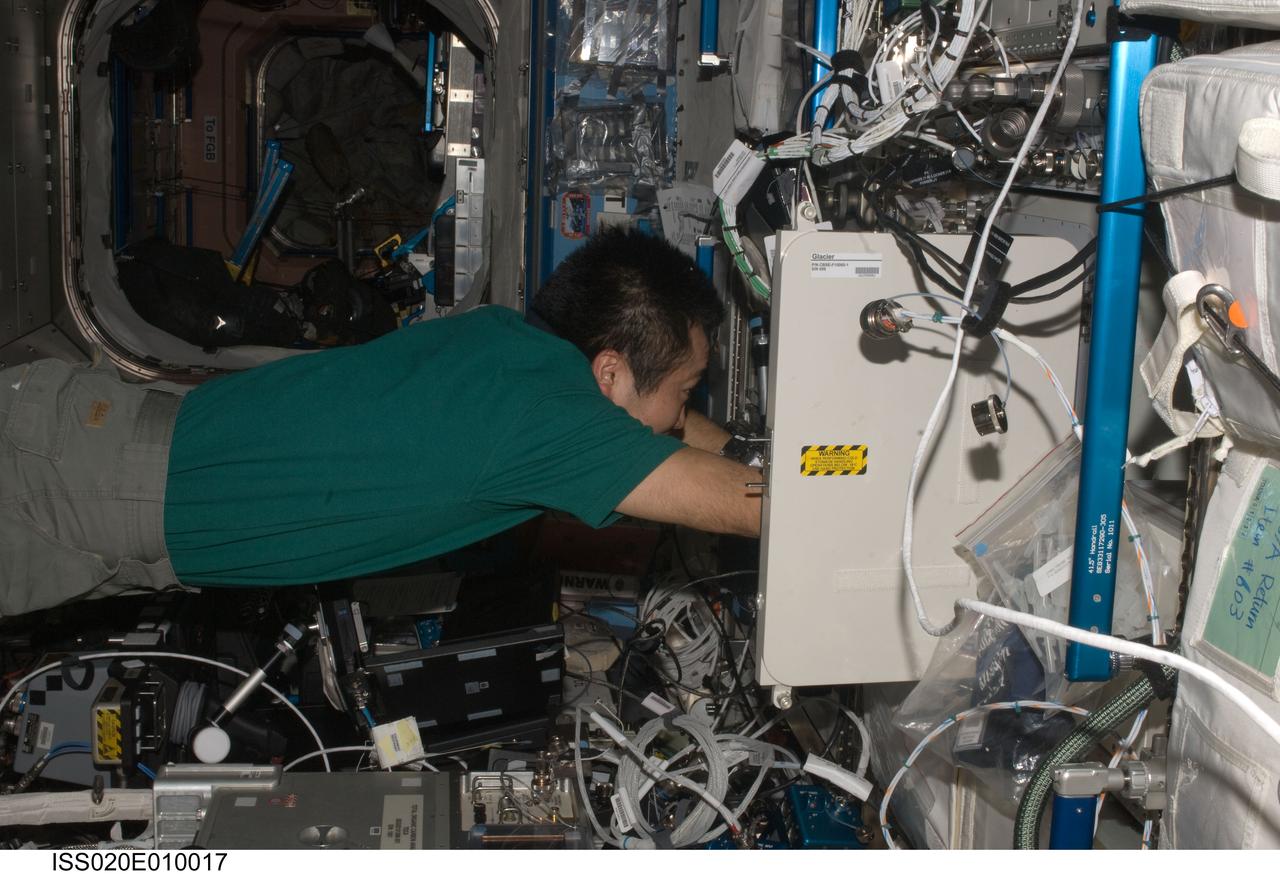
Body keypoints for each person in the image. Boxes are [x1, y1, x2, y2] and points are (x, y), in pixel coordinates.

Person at [0, 228, 761, 616]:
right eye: (686, 388)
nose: (682, 415)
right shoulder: (545, 422)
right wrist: (852, 475)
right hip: (79, 487)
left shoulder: (509, 348)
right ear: (610, 372)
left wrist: (750, 449)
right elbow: (745, 506)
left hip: (104, 477)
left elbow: (674, 430)